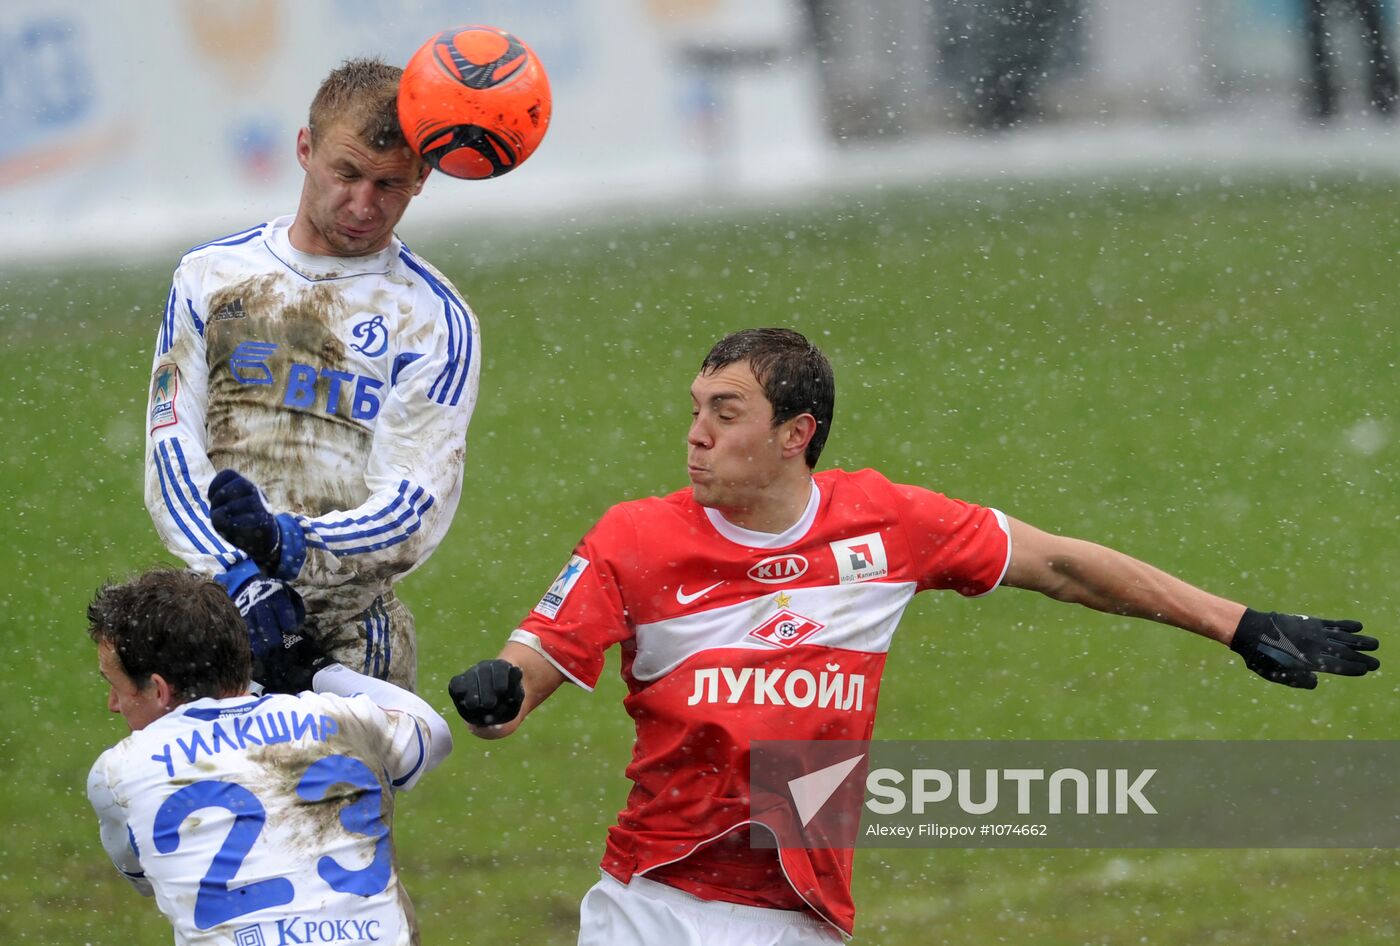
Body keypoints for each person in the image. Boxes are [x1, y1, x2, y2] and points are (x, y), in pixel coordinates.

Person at [447, 328, 1379, 944]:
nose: (695, 435)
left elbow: (1059, 564)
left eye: (724, 414)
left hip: (803, 909)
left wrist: (1237, 623)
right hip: (659, 903)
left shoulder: (886, 524)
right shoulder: (634, 539)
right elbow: (533, 668)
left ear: (793, 435)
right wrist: (499, 688)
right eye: (694, 409)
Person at [144, 57, 479, 691]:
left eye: (390, 185)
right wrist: (238, 576)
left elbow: (414, 504)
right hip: (213, 622)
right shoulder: (208, 277)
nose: (363, 204)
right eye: (346, 173)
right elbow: (171, 447)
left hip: (351, 638)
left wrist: (288, 543)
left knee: (323, 795)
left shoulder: (436, 318)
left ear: (422, 178)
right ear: (305, 148)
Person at [86, 566, 453, 946]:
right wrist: (314, 669)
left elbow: (144, 878)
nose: (114, 704)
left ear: (160, 690)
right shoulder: (340, 719)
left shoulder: (118, 772)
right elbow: (433, 731)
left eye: (116, 686)